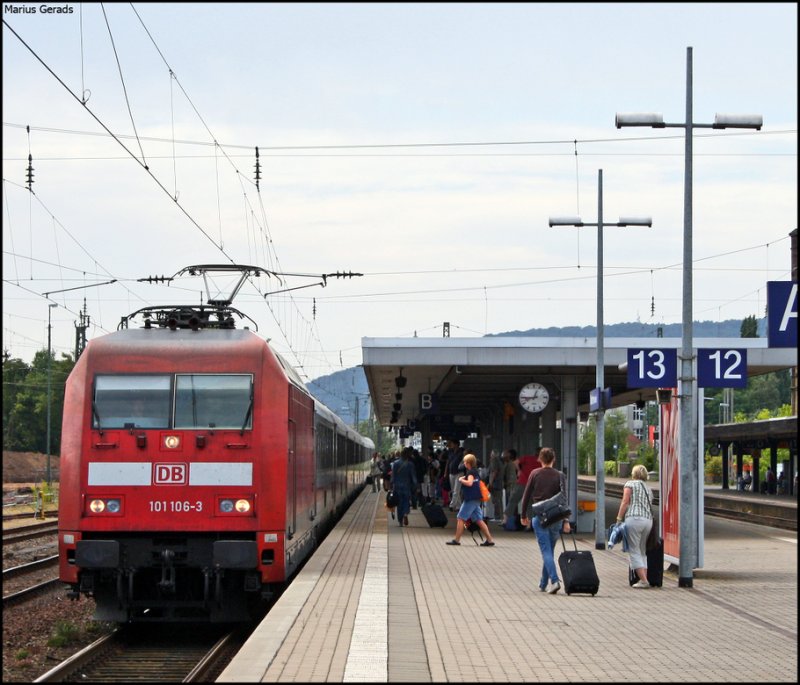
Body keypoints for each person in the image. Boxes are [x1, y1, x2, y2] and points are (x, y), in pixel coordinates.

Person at [520, 447, 570, 594]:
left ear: (540, 459)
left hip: (540, 518)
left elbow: (526, 496)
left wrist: (523, 515)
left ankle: (554, 581)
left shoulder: (534, 474)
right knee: (549, 551)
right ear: (553, 459)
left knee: (546, 552)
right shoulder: (560, 475)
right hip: (556, 518)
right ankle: (543, 583)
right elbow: (564, 499)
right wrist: (566, 520)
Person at [615, 464, 654, 588]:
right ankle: (644, 577)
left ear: (634, 474)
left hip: (634, 519)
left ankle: (643, 580)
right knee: (642, 550)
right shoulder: (648, 489)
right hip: (648, 521)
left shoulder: (630, 484)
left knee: (634, 549)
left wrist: (619, 519)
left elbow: (625, 501)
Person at [445, 453, 495, 547]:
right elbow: (473, 480)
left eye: (465, 462)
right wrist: (464, 478)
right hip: (476, 499)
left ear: (468, 463)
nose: (464, 463)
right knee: (479, 520)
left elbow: (470, 483)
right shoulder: (475, 472)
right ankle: (489, 540)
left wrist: (461, 480)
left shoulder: (470, 472)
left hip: (470, 499)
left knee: (460, 518)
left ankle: (456, 540)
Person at [391, 447, 418, 526]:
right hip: (407, 486)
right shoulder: (410, 464)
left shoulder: (395, 464)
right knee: (406, 501)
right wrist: (416, 486)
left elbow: (393, 476)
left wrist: (391, 485)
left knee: (399, 503)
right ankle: (405, 513)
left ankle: (400, 521)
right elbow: (413, 477)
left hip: (397, 487)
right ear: (407, 455)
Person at [501, 449, 519, 527]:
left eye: (504, 455)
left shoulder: (511, 465)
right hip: (510, 486)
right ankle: (511, 521)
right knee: (511, 503)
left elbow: (512, 478)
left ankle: (510, 522)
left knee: (511, 503)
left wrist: (506, 483)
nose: (502, 457)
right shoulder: (508, 464)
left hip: (511, 487)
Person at [487, 449, 505, 521]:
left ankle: (497, 516)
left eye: (491, 454)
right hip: (499, 483)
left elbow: (494, 471)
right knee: (499, 500)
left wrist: (490, 483)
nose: (490, 455)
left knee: (496, 500)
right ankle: (500, 516)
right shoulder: (500, 461)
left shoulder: (494, 461)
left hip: (495, 483)